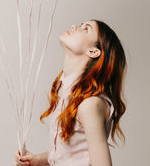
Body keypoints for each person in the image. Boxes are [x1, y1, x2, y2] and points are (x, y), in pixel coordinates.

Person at [14, 19, 127, 166]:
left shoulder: (89, 104)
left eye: (86, 29)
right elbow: (68, 156)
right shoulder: (62, 90)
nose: (74, 26)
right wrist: (36, 160)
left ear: (93, 51)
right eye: (81, 25)